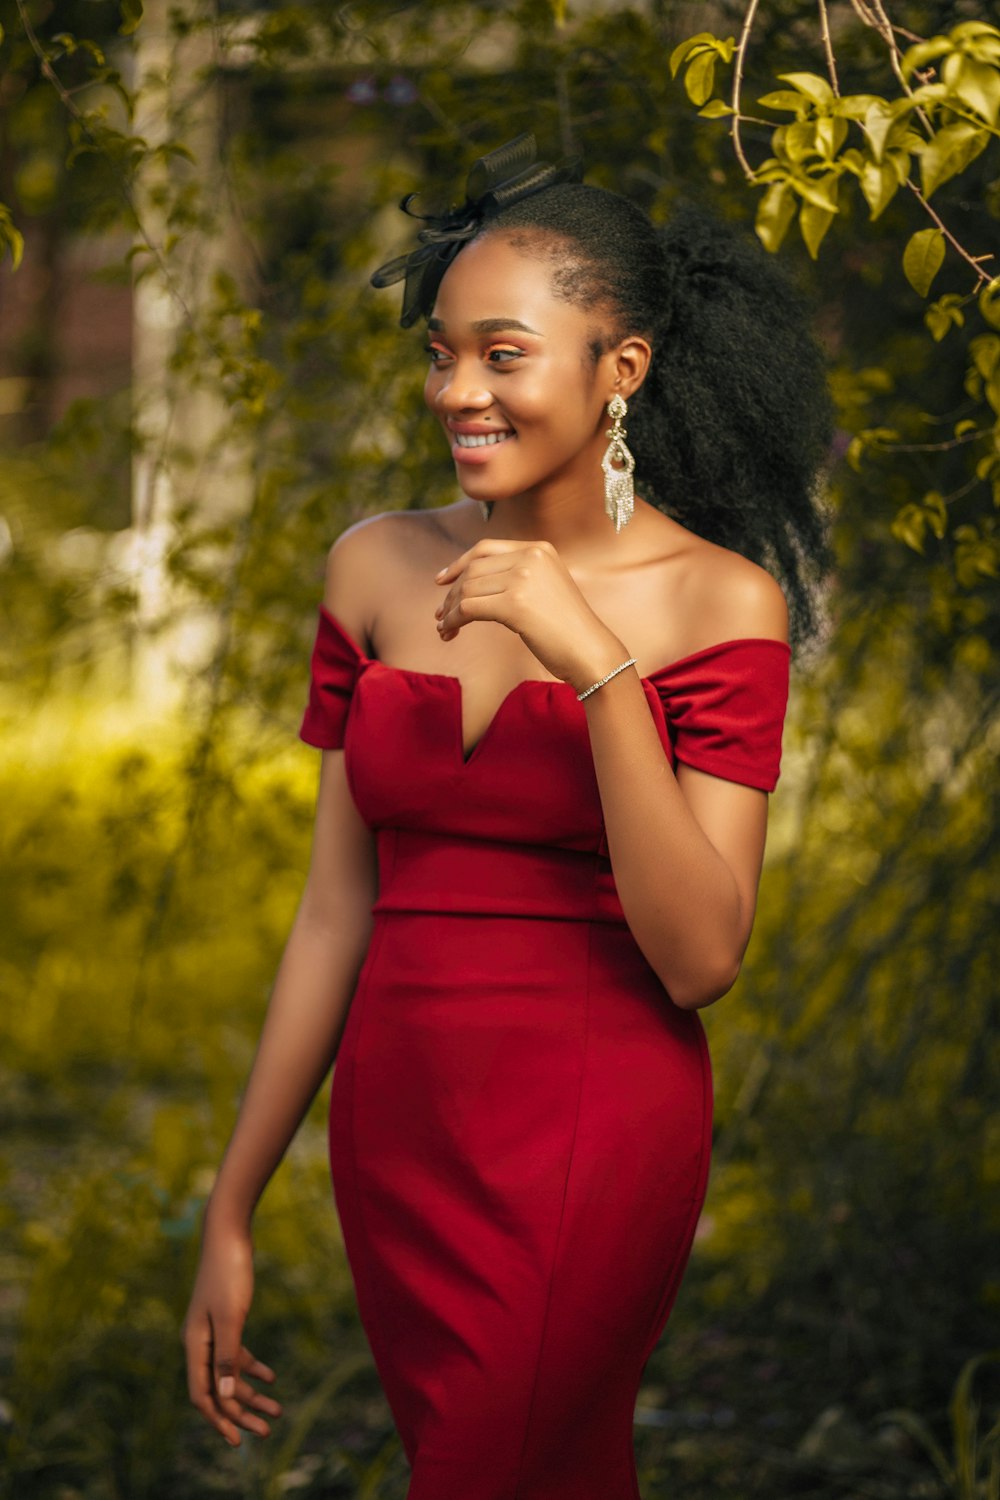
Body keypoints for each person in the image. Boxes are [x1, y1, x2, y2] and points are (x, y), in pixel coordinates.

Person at [182, 133, 833, 1498]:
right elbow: (332, 914)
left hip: (594, 1124)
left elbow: (702, 956)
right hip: (399, 1125)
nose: (455, 392)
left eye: (501, 354)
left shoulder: (721, 603)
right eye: (439, 355)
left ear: (622, 371)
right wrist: (233, 1204)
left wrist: (589, 658)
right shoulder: (372, 566)